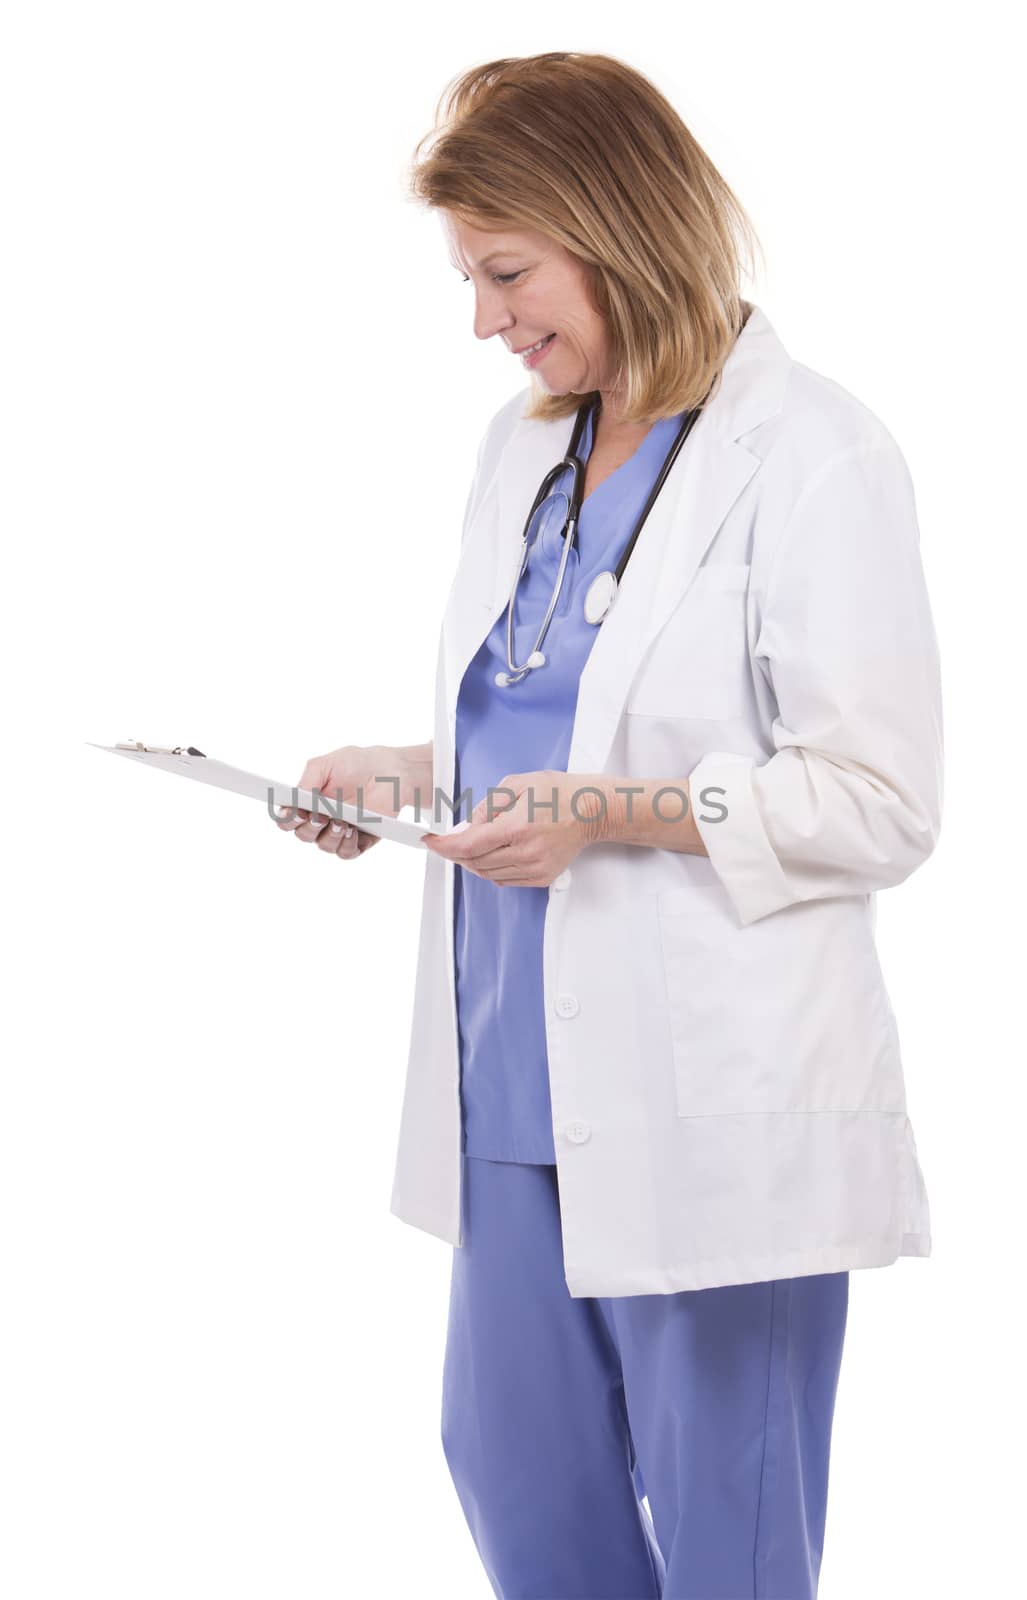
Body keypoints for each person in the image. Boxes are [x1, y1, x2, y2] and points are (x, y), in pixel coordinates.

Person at [276, 51, 943, 1600]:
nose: (485, 318)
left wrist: (612, 814)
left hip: (716, 1104)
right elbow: (539, 716)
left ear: (618, 224)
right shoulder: (528, 448)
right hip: (511, 1095)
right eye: (471, 275)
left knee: (730, 1537)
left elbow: (884, 800)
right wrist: (399, 769)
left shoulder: (815, 454)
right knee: (516, 1483)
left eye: (508, 270)